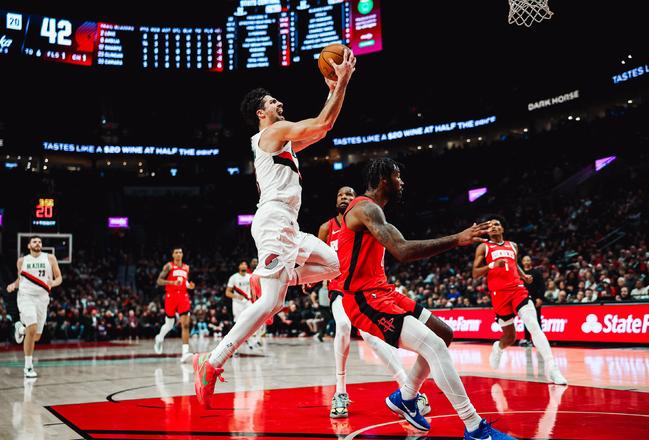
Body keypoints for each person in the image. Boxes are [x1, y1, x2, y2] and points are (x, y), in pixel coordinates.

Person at [192, 46, 357, 408]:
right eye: (272, 101)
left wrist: (334, 91)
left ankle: (272, 277)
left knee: (335, 264)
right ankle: (212, 361)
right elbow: (323, 124)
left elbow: (321, 129)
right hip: (274, 221)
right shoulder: (274, 131)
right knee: (271, 302)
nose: (280, 103)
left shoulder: (282, 139)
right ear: (260, 113)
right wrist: (343, 81)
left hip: (287, 224)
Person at [337, 158, 514, 439]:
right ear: (384, 179)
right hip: (363, 299)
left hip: (383, 291)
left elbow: (402, 246)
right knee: (435, 347)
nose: (402, 182)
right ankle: (475, 428)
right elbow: (403, 251)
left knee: (443, 333)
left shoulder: (375, 212)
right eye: (397, 176)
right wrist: (457, 239)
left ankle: (405, 397)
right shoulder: (365, 208)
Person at [318, 186, 450, 419]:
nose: (345, 197)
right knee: (343, 326)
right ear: (335, 200)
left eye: (350, 195)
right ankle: (340, 392)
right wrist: (310, 278)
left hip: (364, 290)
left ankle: (406, 389)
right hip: (339, 288)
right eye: (341, 195)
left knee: (374, 338)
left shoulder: (362, 218)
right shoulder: (327, 228)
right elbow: (316, 258)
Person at [472, 217, 567, 385]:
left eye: (496, 224)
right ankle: (498, 347)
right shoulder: (484, 247)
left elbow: (514, 264)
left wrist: (524, 276)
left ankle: (553, 369)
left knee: (534, 325)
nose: (493, 227)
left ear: (502, 229)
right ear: (487, 231)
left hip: (518, 290)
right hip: (499, 294)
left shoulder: (513, 246)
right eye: (490, 226)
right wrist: (492, 265)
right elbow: (475, 273)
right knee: (510, 337)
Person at [6, 236, 63, 378]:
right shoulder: (22, 261)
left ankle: (20, 329)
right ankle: (28, 367)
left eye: (39, 242)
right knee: (32, 328)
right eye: (34, 242)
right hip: (26, 296)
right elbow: (21, 279)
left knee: (35, 336)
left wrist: (53, 283)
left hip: (42, 298)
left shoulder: (50, 258)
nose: (38, 243)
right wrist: (14, 285)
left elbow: (59, 278)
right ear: (29, 245)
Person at [153, 247, 196, 363]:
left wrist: (189, 286)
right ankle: (159, 338)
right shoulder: (169, 266)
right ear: (173, 255)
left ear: (182, 254)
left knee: (185, 324)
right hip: (171, 296)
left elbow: (184, 281)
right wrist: (172, 282)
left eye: (180, 252)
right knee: (169, 324)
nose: (178, 254)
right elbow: (159, 281)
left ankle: (185, 353)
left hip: (183, 296)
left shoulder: (186, 267)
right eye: (176, 252)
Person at [226, 261, 263, 351]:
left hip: (248, 302)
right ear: (238, 266)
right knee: (238, 324)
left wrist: (254, 300)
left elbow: (254, 290)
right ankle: (233, 345)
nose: (244, 265)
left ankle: (252, 340)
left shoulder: (250, 277)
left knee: (253, 320)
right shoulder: (233, 278)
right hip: (237, 304)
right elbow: (227, 293)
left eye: (245, 264)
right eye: (242, 264)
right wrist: (237, 296)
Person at [519, 255, 544, 347]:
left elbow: (542, 286)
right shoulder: (520, 274)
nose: (526, 262)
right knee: (526, 320)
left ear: (531, 262)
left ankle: (539, 341)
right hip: (524, 299)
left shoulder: (536, 273)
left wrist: (540, 298)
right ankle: (527, 339)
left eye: (528, 260)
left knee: (537, 320)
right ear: (522, 262)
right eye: (525, 260)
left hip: (535, 299)